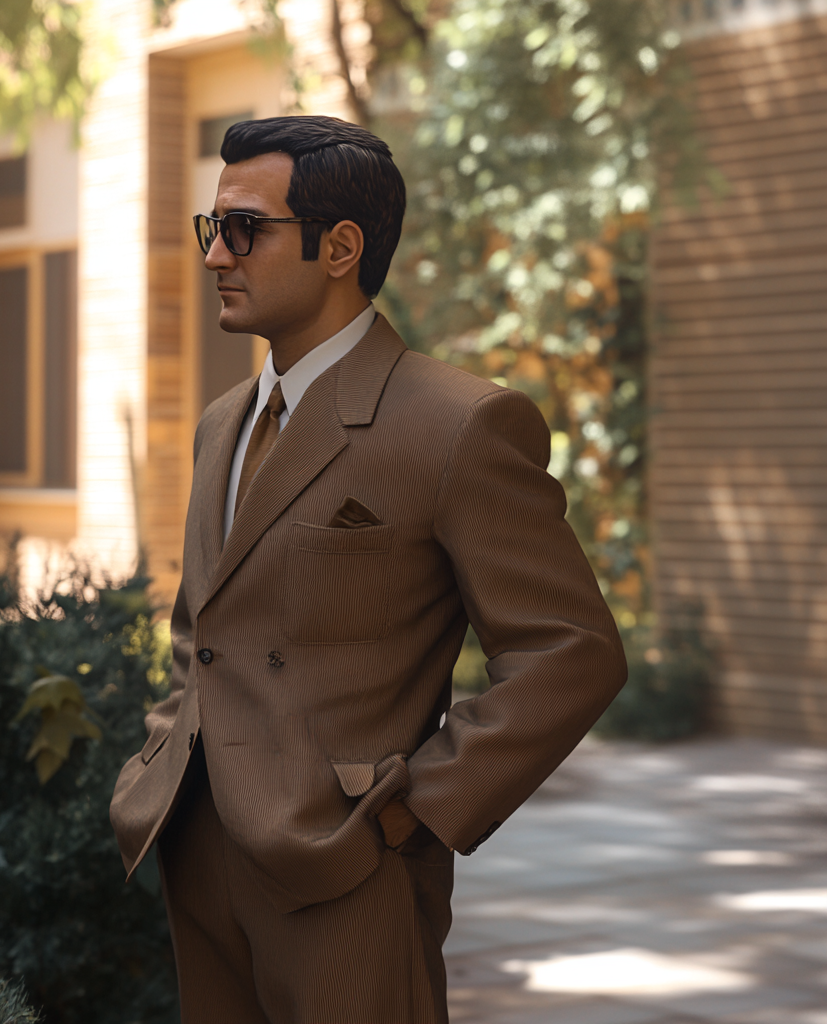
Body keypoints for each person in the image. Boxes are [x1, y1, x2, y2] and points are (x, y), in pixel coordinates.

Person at [110, 115, 627, 1024]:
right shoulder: (223, 421)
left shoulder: (459, 425)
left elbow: (571, 650)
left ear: (340, 246)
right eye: (211, 229)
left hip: (348, 867)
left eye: (244, 231)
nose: (216, 256)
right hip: (199, 846)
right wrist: (162, 756)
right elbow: (206, 628)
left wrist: (409, 814)